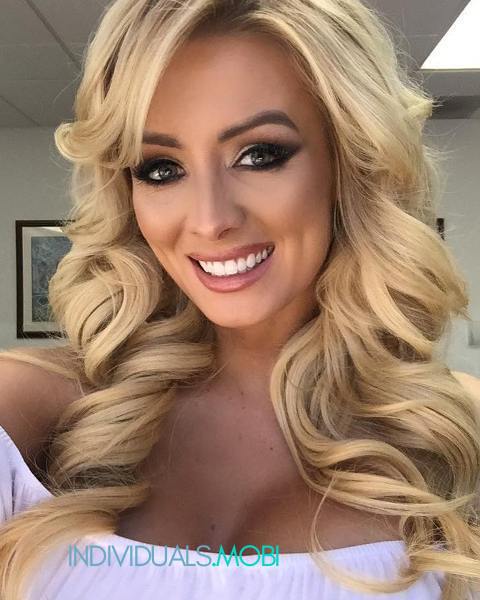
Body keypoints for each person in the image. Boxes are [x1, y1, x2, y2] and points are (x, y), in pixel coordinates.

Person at [0, 0, 479, 598]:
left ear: (348, 164)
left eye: (260, 155)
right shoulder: (33, 409)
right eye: (160, 168)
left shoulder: (453, 433)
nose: (209, 220)